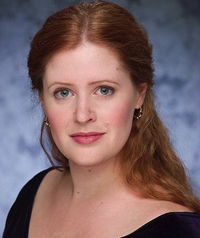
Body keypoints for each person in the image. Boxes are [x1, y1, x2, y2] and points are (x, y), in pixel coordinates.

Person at [3, 1, 200, 237]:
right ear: (43, 101)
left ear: (139, 95)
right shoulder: (33, 194)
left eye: (104, 90)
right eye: (63, 92)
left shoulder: (178, 231)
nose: (83, 115)